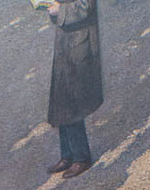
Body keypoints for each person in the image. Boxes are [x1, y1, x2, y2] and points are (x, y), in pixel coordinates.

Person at [46, 0, 103, 179]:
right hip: (66, 39)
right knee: (62, 99)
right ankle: (68, 154)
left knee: (72, 102)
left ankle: (81, 157)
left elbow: (85, 7)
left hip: (79, 41)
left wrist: (60, 10)